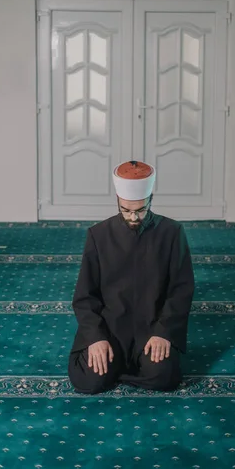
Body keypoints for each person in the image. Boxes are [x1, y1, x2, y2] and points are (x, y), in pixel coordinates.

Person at [68, 160, 195, 394]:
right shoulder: (98, 235)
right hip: (111, 329)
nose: (134, 218)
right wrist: (95, 337)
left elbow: (181, 290)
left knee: (164, 377)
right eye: (126, 211)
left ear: (150, 200)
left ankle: (121, 372)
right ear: (117, 201)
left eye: (140, 210)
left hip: (152, 328)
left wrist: (163, 333)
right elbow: (84, 297)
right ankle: (126, 371)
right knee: (88, 380)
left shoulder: (172, 233)